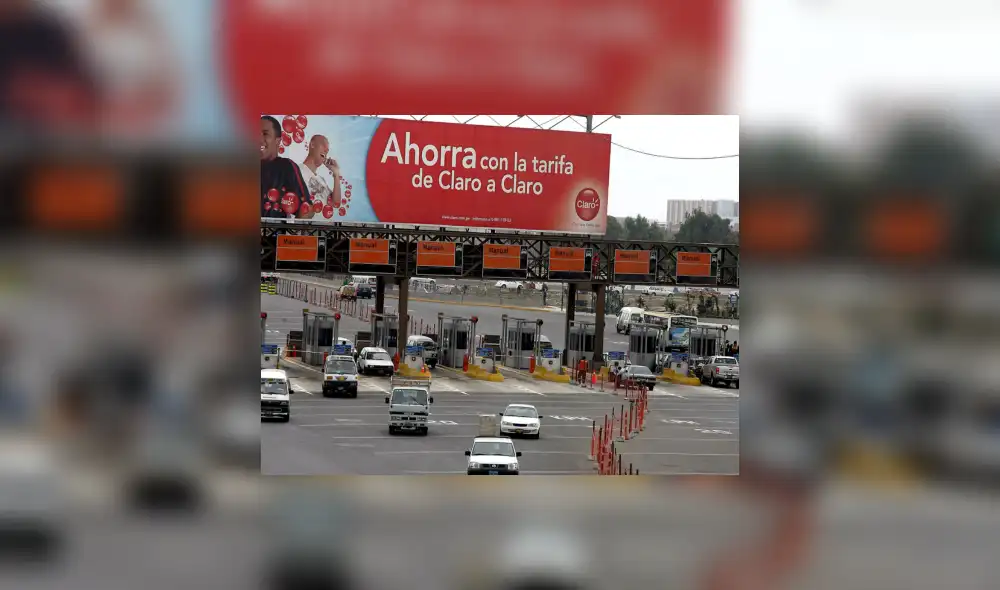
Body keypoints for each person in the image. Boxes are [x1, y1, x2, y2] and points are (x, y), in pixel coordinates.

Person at [261, 115, 314, 219]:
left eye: (265, 134)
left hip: (273, 234)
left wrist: (291, 233)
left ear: (278, 140)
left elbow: (307, 208)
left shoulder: (286, 167)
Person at [298, 134, 342, 210]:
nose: (327, 150)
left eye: (328, 149)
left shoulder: (321, 180)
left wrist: (336, 174)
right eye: (323, 144)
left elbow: (335, 203)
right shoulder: (296, 170)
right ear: (312, 145)